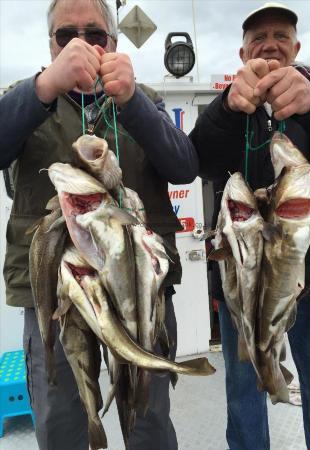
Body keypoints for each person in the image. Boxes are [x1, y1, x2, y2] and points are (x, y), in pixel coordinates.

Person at [0, 1, 199, 449]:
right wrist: (45, 87)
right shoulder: (26, 96)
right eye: (65, 35)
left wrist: (133, 103)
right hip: (57, 294)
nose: (82, 44)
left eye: (95, 35)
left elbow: (185, 166)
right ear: (50, 45)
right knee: (61, 417)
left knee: (147, 414)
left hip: (139, 285)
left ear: (113, 42)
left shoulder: (143, 98)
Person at [190, 2, 310, 449]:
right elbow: (200, 161)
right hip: (242, 272)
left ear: (296, 47)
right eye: (258, 38)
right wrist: (227, 108)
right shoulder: (230, 104)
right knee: (242, 383)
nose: (269, 44)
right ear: (242, 52)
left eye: (279, 35)